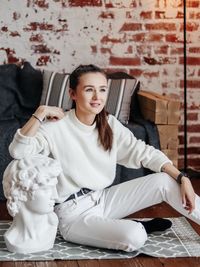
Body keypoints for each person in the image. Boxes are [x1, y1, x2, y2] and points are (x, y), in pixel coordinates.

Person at [8, 64, 200, 252]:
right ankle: (134, 227)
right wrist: (40, 113)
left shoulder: (109, 124)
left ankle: (115, 226)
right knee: (134, 237)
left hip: (102, 199)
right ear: (72, 94)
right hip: (71, 213)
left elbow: (145, 152)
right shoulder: (56, 126)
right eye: (89, 90)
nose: (97, 97)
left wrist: (183, 179)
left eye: (102, 90)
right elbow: (18, 151)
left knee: (165, 180)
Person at [3, 154, 61, 254]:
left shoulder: (52, 224)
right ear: (22, 193)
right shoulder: (11, 238)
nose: (55, 196)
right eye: (47, 189)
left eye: (54, 188)